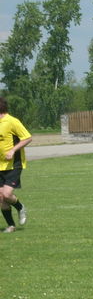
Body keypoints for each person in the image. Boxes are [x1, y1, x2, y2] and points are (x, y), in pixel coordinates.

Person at [0, 97, 32, 233]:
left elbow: (27, 137)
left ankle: (20, 207)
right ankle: (11, 226)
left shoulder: (12, 121)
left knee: (6, 194)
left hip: (14, 164)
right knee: (0, 197)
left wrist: (13, 150)